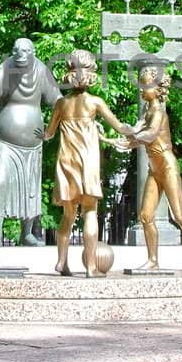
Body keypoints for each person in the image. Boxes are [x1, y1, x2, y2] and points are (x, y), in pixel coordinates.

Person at [44, 49, 132, 276]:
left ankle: (62, 262)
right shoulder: (95, 103)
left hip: (66, 162)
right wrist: (136, 132)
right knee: (90, 212)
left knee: (68, 215)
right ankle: (91, 267)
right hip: (88, 164)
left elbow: (48, 134)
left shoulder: (61, 104)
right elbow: (120, 127)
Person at [0, 37, 60, 247]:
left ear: (33, 52)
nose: (21, 55)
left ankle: (26, 233)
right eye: (17, 50)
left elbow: (58, 100)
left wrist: (57, 125)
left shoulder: (42, 71)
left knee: (31, 189)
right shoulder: (6, 68)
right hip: (5, 142)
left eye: (26, 51)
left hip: (33, 144)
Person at [121, 64, 182, 271]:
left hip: (167, 166)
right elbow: (137, 132)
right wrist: (119, 137)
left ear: (158, 89)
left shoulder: (159, 111)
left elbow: (149, 135)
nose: (142, 90)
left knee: (179, 215)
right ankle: (153, 260)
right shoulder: (147, 110)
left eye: (145, 86)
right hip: (155, 168)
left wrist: (130, 137)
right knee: (145, 215)